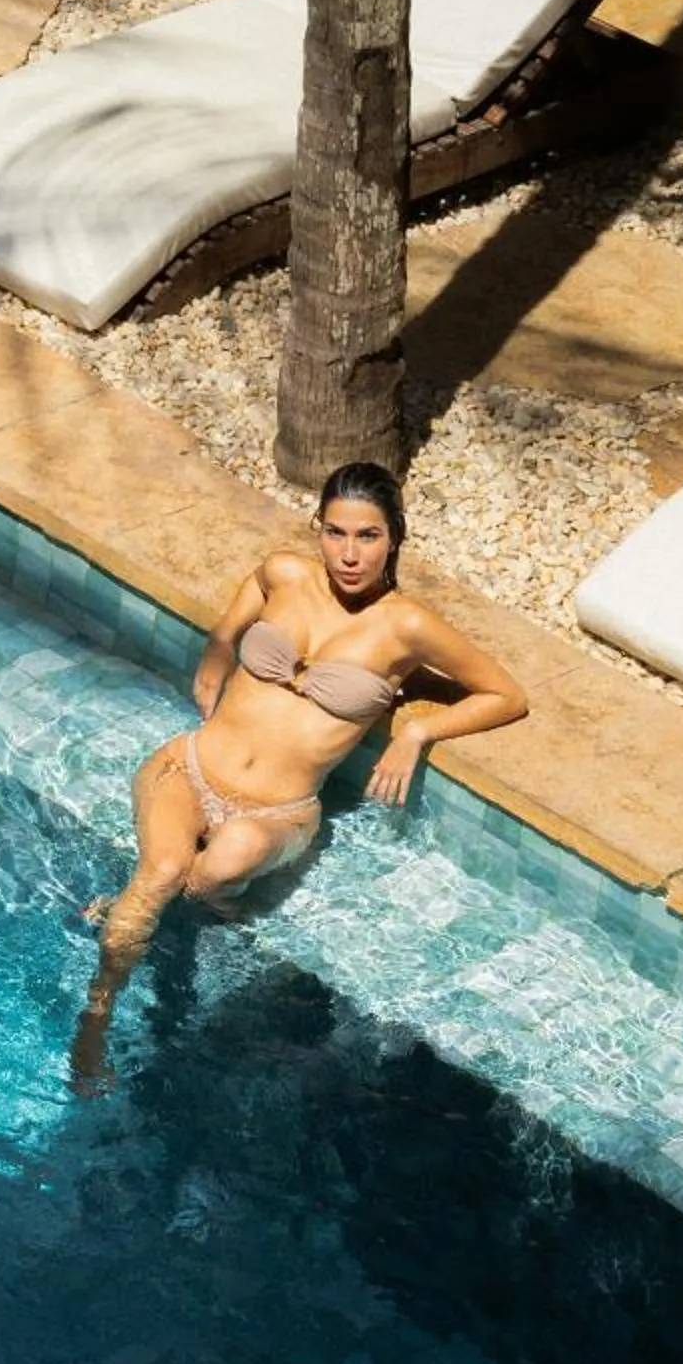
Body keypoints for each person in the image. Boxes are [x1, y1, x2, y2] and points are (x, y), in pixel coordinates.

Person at [71, 462, 529, 1088]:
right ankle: (95, 1024)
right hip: (192, 766)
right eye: (335, 533)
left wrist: (418, 732)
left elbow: (504, 694)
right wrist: (219, 647)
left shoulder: (408, 626)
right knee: (160, 873)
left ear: (395, 536)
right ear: (318, 529)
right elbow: (255, 584)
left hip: (275, 813)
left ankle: (160, 907)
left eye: (367, 536)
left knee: (216, 870)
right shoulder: (288, 574)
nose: (348, 554)